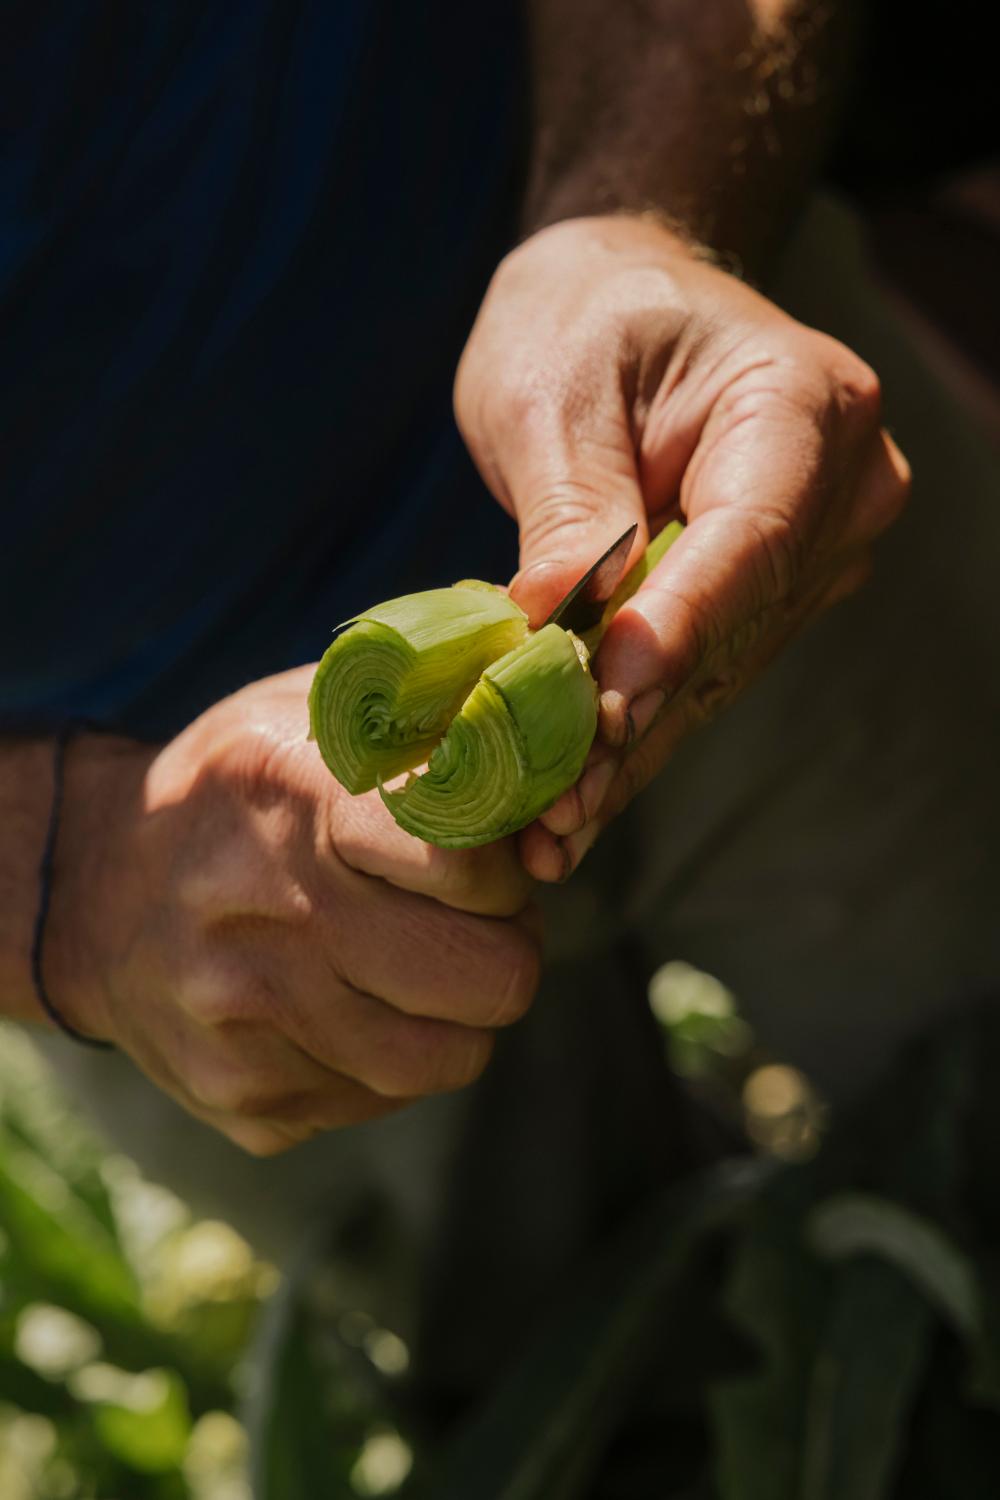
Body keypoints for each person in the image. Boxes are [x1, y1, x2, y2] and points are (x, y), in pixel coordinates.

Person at [2, 0, 997, 1392]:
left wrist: (642, 211)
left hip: (693, 448)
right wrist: (63, 876)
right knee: (594, 1401)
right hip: (189, 906)